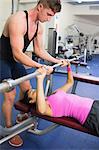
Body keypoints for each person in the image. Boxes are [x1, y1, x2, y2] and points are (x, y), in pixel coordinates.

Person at [0, 0, 66, 146]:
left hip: (15, 62)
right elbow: (17, 54)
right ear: (40, 6)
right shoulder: (18, 20)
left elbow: (39, 50)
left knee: (26, 87)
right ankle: (10, 130)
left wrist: (56, 60)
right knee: (10, 94)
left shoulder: (39, 27)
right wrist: (39, 67)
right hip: (2, 59)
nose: (49, 19)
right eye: (48, 14)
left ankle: (21, 115)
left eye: (52, 16)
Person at [24, 61, 99, 137]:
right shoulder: (46, 108)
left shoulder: (54, 94)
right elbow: (41, 110)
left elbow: (70, 82)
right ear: (31, 101)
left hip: (94, 103)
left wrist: (68, 67)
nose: (35, 90)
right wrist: (39, 80)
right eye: (33, 92)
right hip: (90, 115)